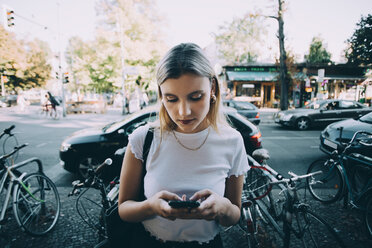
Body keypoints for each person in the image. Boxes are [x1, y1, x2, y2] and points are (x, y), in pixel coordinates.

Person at [118, 43, 249, 247]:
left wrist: (223, 207)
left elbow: (235, 214)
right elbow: (124, 208)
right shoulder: (143, 138)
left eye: (195, 97)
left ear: (212, 88)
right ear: (161, 95)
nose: (184, 112)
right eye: (171, 99)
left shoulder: (232, 140)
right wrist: (151, 207)